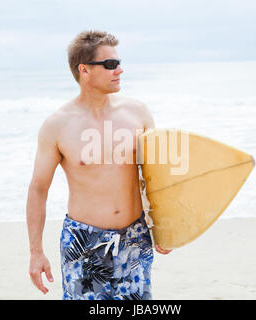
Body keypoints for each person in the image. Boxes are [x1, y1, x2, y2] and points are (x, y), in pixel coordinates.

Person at [26, 30, 171, 300]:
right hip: (84, 242)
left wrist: (164, 227)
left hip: (135, 237)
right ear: (85, 70)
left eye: (118, 62)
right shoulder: (58, 125)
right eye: (110, 65)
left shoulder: (137, 113)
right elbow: (38, 189)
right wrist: (36, 252)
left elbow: (155, 177)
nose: (120, 70)